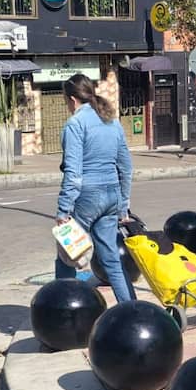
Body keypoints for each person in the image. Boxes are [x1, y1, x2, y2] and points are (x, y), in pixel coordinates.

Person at [55, 74, 136, 303]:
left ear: (72, 99)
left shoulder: (75, 124)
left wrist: (63, 211)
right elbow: (126, 168)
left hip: (87, 197)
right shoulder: (112, 121)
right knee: (111, 259)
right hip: (112, 196)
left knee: (67, 256)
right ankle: (131, 311)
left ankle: (64, 311)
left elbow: (73, 173)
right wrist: (123, 205)